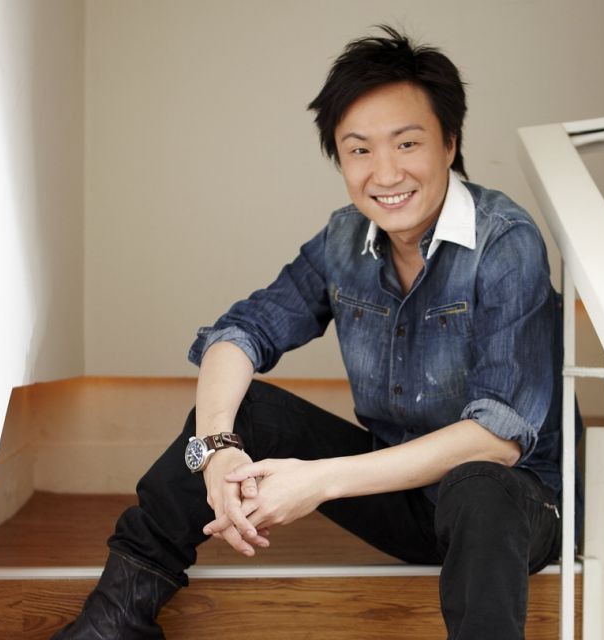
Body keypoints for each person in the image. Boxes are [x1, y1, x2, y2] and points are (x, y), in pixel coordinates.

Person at [52, 25, 573, 640]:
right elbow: (240, 333)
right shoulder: (343, 238)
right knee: (247, 410)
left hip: (514, 515)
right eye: (359, 150)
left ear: (449, 142)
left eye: (407, 143)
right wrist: (217, 448)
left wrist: (318, 480)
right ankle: (112, 621)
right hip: (405, 503)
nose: (385, 173)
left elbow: (498, 440)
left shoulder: (506, 242)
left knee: (478, 484)